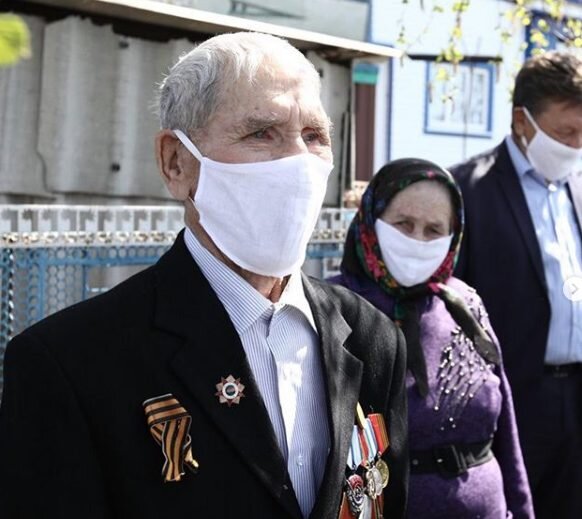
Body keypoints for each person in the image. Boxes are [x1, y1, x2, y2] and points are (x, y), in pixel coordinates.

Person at [0, 33, 408, 518]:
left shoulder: (371, 338)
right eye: (262, 133)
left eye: (314, 136)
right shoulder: (71, 364)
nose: (299, 162)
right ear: (176, 163)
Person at [329, 158, 534, 518]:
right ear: (372, 220)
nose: (418, 240)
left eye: (434, 230)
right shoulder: (334, 306)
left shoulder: (464, 303)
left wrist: (522, 510)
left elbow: (507, 434)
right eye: (404, 224)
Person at [450, 51, 582, 519]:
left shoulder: (575, 186)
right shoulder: (468, 189)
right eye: (566, 133)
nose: (576, 145)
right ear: (522, 121)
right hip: (512, 399)